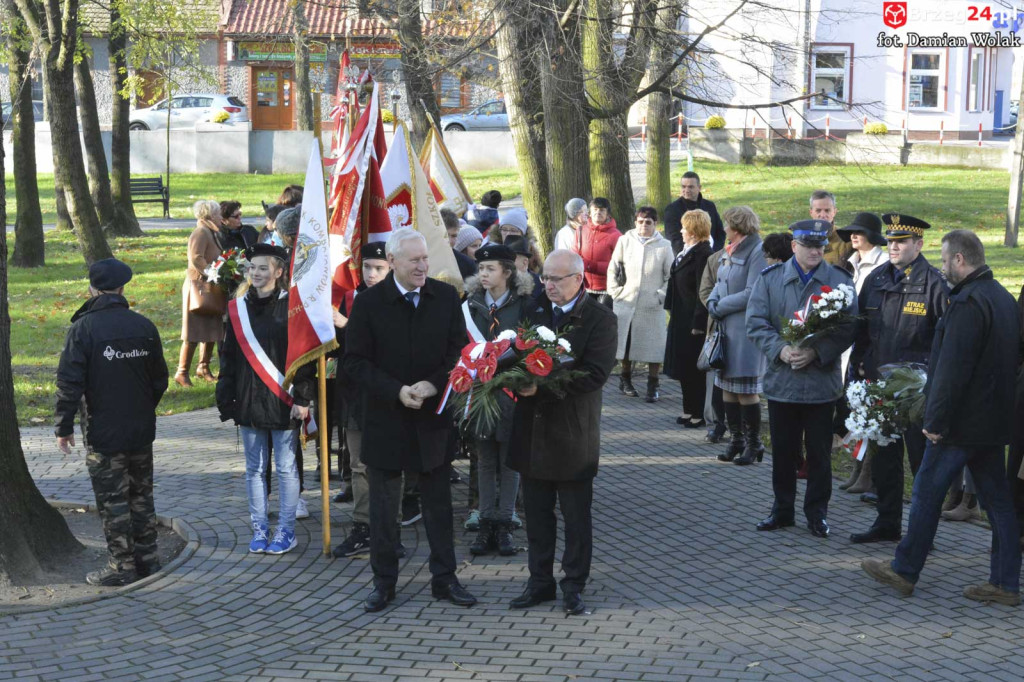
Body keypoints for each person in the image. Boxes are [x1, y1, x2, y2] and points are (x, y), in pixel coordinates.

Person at [862, 230, 1022, 606]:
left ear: (961, 260)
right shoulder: (1002, 297)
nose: (943, 266)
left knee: (926, 491)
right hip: (991, 422)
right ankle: (1005, 583)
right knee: (998, 502)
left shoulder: (967, 303)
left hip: (959, 424)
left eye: (946, 258)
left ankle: (904, 570)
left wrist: (934, 420)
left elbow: (952, 369)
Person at [343, 228, 478, 612]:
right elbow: (354, 362)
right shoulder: (369, 303)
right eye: (415, 260)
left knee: (438, 505)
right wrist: (396, 390)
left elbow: (458, 351)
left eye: (425, 258)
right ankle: (383, 583)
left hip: (432, 417)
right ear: (394, 262)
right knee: (384, 509)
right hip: (387, 416)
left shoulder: (446, 296)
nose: (423, 265)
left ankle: (444, 579)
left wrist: (434, 385)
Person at [508, 250, 617, 616]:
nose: (548, 285)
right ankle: (539, 582)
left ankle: (574, 584)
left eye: (556, 279)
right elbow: (515, 353)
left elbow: (595, 374)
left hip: (572, 433)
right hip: (532, 432)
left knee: (575, 517)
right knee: (537, 516)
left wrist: (543, 387)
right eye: (545, 278)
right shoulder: (534, 308)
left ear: (578, 278)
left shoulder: (599, 318)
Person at [55, 258, 169, 586]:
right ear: (122, 288)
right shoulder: (144, 326)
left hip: (102, 433)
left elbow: (69, 383)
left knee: (112, 500)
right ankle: (149, 559)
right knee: (141, 495)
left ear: (91, 289)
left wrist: (63, 427)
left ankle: (122, 567)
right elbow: (159, 379)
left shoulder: (83, 329)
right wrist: (142, 407)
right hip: (139, 429)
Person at [746, 220, 858, 538]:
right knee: (783, 452)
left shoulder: (838, 280)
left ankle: (817, 514)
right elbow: (755, 322)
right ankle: (782, 510)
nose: (814, 251)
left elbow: (849, 327)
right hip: (783, 382)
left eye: (819, 246)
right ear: (793, 246)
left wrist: (817, 352)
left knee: (820, 455)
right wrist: (780, 350)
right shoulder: (770, 280)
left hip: (822, 386)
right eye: (808, 246)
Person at [846, 214, 948, 542]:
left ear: (919, 244)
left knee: (922, 466)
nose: (894, 246)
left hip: (918, 394)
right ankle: (887, 523)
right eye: (890, 241)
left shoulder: (934, 284)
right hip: (880, 389)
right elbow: (861, 333)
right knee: (885, 461)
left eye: (901, 241)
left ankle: (922, 536)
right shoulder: (876, 279)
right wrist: (855, 377)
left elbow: (945, 342)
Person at [216, 244, 315, 556]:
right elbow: (228, 357)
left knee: (286, 468)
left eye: (262, 268)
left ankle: (286, 530)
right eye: (251, 268)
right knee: (254, 469)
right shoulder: (237, 309)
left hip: (283, 400)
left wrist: (303, 397)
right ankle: (260, 528)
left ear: (278, 271)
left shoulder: (293, 307)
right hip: (248, 398)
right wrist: (226, 396)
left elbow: (304, 358)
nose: (255, 273)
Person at [463, 244, 535, 557]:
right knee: (484, 458)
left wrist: (515, 375)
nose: (484, 274)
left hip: (511, 391)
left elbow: (531, 345)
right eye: (481, 269)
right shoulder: (470, 304)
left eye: (490, 269)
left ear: (507, 272)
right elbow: (461, 345)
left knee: (510, 461)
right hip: (480, 392)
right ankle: (486, 523)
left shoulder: (524, 304)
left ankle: (505, 523)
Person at [331, 243, 394, 558]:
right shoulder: (348, 299)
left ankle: (388, 527)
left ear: (391, 267)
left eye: (379, 268)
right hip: (356, 394)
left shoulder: (401, 301)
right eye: (367, 267)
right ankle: (362, 524)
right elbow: (340, 351)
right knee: (358, 463)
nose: (371, 274)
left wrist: (346, 326)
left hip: (391, 393)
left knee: (391, 463)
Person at [706, 206, 766, 466]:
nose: (723, 229)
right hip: (724, 330)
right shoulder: (729, 249)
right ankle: (736, 440)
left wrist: (720, 306)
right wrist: (711, 301)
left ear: (738, 226)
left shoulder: (756, 251)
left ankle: (755, 444)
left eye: (727, 224)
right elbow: (718, 282)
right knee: (727, 389)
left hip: (744, 331)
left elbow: (753, 291)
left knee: (746, 391)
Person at [608, 206, 672, 402]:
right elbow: (613, 268)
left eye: (649, 222)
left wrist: (660, 296)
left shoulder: (664, 246)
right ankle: (625, 379)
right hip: (626, 302)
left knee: (654, 348)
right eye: (641, 221)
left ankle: (653, 384)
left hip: (651, 306)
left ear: (655, 224)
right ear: (635, 222)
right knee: (626, 344)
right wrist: (616, 292)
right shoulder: (624, 241)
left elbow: (670, 276)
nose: (644, 225)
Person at [664, 209, 714, 428]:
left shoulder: (703, 254)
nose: (681, 231)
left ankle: (698, 412)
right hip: (679, 316)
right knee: (684, 366)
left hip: (693, 320)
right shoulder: (685, 250)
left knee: (694, 369)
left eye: (684, 227)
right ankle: (687, 409)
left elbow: (704, 291)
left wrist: (699, 322)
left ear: (693, 230)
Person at [176, 199, 225, 387]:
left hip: (208, 286)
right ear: (210, 215)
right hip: (198, 286)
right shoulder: (201, 232)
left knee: (211, 326)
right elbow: (196, 257)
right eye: (219, 214)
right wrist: (212, 273)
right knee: (193, 331)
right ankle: (182, 372)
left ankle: (203, 367)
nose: (221, 217)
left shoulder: (211, 232)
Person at [698, 246, 726, 443]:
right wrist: (717, 308)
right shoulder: (715, 259)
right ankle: (719, 423)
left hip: (743, 328)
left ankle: (741, 428)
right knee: (716, 376)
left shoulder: (756, 257)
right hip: (718, 325)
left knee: (742, 383)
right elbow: (705, 290)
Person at [663, 172, 725, 254]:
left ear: (699, 187)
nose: (686, 190)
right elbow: (674, 240)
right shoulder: (672, 210)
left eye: (690, 187)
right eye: (683, 187)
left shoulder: (709, 206)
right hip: (686, 257)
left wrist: (712, 253)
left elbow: (720, 233)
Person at [578, 197, 621, 309]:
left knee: (603, 323)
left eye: (602, 210)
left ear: (607, 214)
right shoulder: (580, 231)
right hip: (584, 288)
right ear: (590, 212)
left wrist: (592, 266)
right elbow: (574, 256)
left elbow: (619, 265)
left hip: (607, 290)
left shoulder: (616, 236)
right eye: (595, 209)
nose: (598, 212)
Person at [807, 190, 853, 270]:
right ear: (811, 212)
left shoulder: (846, 239)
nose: (823, 215)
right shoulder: (799, 237)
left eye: (827, 210)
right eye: (818, 210)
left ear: (834, 212)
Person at [442, 208, 478, 280]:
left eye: (454, 236)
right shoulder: (420, 259)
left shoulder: (467, 264)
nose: (449, 241)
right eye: (445, 235)